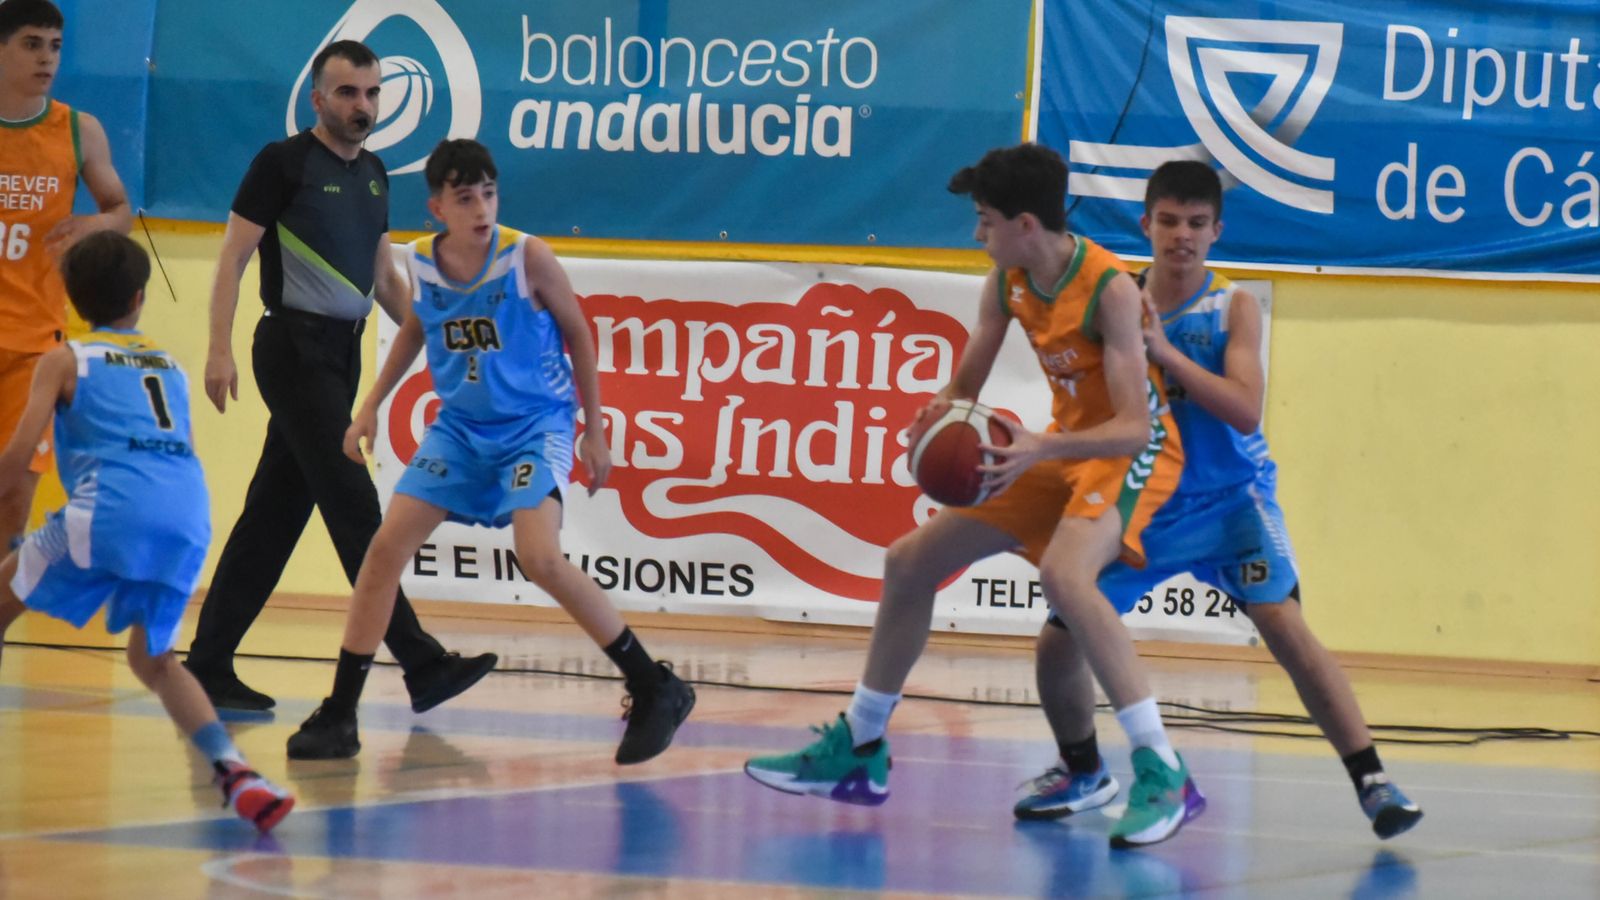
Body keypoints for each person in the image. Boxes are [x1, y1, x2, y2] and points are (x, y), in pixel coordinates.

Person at [745, 143, 1204, 849]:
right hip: (1060, 448)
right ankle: (861, 747)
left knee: (1065, 577)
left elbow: (1133, 428)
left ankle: (1162, 767)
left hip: (1131, 456)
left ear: (1026, 224)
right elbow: (965, 388)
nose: (976, 233)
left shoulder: (1110, 289)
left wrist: (1038, 448)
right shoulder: (1007, 281)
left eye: (985, 220)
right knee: (908, 562)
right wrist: (937, 419)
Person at [1015, 160, 1424, 839]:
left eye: (1196, 223)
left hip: (1231, 501)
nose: (1182, 234)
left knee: (1284, 627)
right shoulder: (1115, 296)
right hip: (1147, 503)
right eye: (1169, 221)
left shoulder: (1232, 306)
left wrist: (1165, 353)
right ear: (1145, 225)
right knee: (1059, 640)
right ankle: (1082, 770)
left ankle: (1373, 780)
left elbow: (1243, 409)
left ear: (1216, 232)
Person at [285, 138, 696, 763]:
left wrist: (595, 429)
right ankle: (341, 713)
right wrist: (370, 404)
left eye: (489, 194)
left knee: (539, 556)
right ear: (437, 208)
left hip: (534, 425)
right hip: (461, 429)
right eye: (465, 198)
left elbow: (580, 334)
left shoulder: (527, 257)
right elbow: (416, 328)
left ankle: (653, 684)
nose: (481, 208)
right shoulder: (422, 263)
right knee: (383, 550)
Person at [184, 39, 496, 714]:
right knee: (354, 502)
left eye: (373, 93)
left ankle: (206, 664)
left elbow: (384, 278)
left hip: (341, 354)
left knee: (274, 514)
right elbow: (234, 256)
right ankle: (421, 663)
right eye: (349, 93)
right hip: (292, 350)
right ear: (319, 98)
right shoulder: (283, 163)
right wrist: (218, 349)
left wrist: (443, 342)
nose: (363, 105)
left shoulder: (376, 173)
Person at [0, 230, 293, 832]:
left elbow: (16, 463)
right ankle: (235, 770)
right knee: (154, 660)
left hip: (109, 510)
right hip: (186, 519)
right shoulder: (170, 366)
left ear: (72, 300)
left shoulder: (66, 358)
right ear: (139, 297)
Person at [0, 0, 133, 551]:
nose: (46, 58)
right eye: (32, 44)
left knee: (13, 499)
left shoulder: (79, 129)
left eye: (55, 46)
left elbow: (120, 209)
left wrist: (94, 224)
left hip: (34, 345)